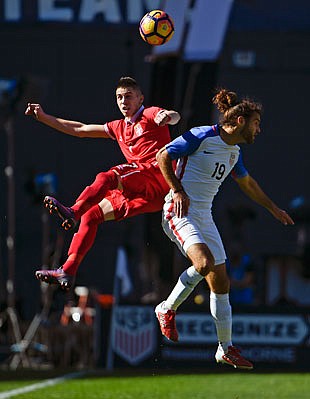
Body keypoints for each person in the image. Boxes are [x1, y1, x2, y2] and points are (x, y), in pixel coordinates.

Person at [154, 88, 294, 370]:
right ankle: (166, 307)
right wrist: (177, 190)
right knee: (204, 263)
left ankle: (225, 348)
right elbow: (162, 156)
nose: (259, 129)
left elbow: (247, 184)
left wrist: (273, 208)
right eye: (256, 123)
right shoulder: (201, 135)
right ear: (241, 121)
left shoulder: (234, 151)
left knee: (221, 282)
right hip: (179, 211)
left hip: (204, 217)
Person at [25, 76, 180, 290]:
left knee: (107, 177)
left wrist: (167, 116)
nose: (123, 102)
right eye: (119, 97)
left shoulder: (149, 113)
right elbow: (80, 129)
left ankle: (73, 211)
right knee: (93, 215)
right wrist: (44, 118)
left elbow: (174, 116)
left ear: (140, 98)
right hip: (147, 193)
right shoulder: (118, 127)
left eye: (128, 96)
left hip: (156, 178)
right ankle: (67, 270)